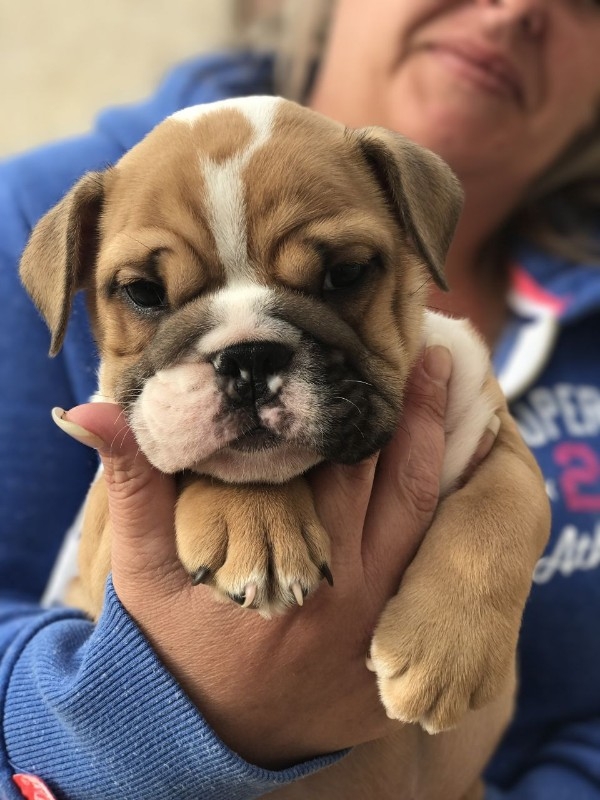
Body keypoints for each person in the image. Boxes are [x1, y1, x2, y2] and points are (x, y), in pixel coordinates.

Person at [0, 0, 598, 797]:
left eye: (342, 275)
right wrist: (127, 725)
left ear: (415, 237)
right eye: (150, 293)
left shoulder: (446, 362)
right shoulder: (34, 209)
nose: (516, 9)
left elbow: (505, 488)